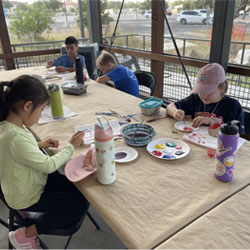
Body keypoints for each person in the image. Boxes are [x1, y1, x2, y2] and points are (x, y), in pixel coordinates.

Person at [0, 75, 88, 249]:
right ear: (27, 106)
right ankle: (27, 233)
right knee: (78, 205)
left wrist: (39, 144)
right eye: (41, 110)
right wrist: (71, 146)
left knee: (79, 187)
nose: (40, 117)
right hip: (26, 194)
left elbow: (17, 151)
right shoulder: (14, 137)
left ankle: (28, 218)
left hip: (27, 182)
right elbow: (48, 165)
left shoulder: (8, 126)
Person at [166, 63, 245, 134]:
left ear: (222, 88)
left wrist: (212, 122)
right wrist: (175, 112)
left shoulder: (233, 106)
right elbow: (170, 106)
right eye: (200, 90)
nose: (203, 95)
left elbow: (238, 134)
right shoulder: (195, 99)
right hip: (196, 141)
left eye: (209, 91)